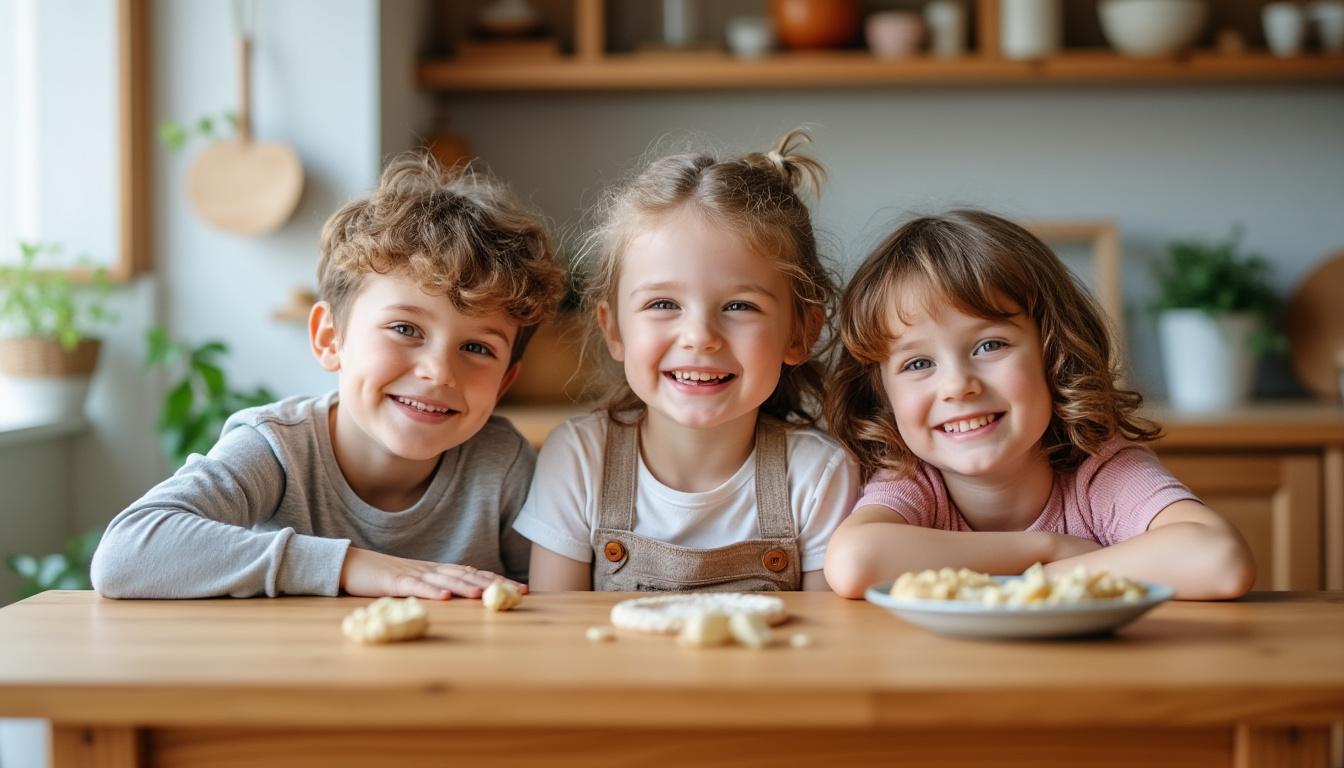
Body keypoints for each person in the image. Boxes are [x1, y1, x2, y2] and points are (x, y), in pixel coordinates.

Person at [91, 154, 565, 599]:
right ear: (329, 338)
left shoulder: (501, 464)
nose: (439, 371)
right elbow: (125, 553)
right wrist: (355, 567)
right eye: (405, 329)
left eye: (477, 348)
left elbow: (542, 608)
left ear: (504, 382)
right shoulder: (278, 450)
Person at [823, 210, 1255, 600]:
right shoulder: (913, 480)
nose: (957, 386)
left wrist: (1039, 580)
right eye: (918, 363)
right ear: (882, 393)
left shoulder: (1099, 471)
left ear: (1054, 353)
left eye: (991, 345)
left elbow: (1218, 560)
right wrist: (1046, 548)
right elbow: (854, 562)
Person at [515, 130, 859, 592]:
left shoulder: (818, 476)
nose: (699, 338)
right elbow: (555, 639)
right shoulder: (579, 460)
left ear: (800, 332)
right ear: (614, 327)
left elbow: (827, 649)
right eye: (663, 304)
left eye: (739, 306)